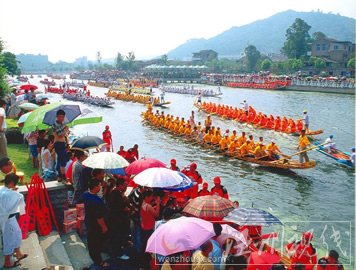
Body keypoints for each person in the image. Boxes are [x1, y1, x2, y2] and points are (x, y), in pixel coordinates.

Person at [0, 173, 27, 269]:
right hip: (7, 219)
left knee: (17, 233)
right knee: (9, 239)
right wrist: (14, 192)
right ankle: (7, 262)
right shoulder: (8, 194)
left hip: (8, 218)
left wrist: (12, 191)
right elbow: (19, 197)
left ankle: (18, 253)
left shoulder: (3, 190)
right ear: (12, 183)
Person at [82, 178, 109, 269]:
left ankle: (96, 256)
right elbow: (99, 217)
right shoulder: (96, 201)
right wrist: (104, 227)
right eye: (99, 185)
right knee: (96, 244)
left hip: (89, 222)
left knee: (92, 242)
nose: (100, 186)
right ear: (95, 187)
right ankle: (99, 261)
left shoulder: (86, 194)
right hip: (96, 226)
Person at [107, 177, 131, 258]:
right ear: (120, 185)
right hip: (116, 220)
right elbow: (124, 208)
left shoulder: (115, 192)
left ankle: (116, 250)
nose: (126, 187)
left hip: (114, 219)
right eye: (125, 186)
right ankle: (117, 253)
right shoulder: (116, 194)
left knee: (116, 236)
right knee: (116, 237)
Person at [140, 189, 160, 269]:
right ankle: (147, 264)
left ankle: (143, 263)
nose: (152, 198)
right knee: (149, 247)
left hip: (144, 227)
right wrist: (158, 203)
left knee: (144, 245)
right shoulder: (148, 206)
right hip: (149, 228)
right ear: (147, 197)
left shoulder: (143, 204)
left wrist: (153, 203)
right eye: (151, 196)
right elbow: (157, 214)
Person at [52, 109, 69, 180]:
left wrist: (65, 129)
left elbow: (63, 135)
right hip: (58, 143)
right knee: (63, 160)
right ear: (57, 117)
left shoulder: (63, 124)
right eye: (60, 117)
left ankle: (59, 175)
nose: (61, 118)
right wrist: (65, 130)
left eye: (63, 117)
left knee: (59, 159)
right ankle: (63, 176)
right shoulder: (54, 125)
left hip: (62, 143)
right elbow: (60, 135)